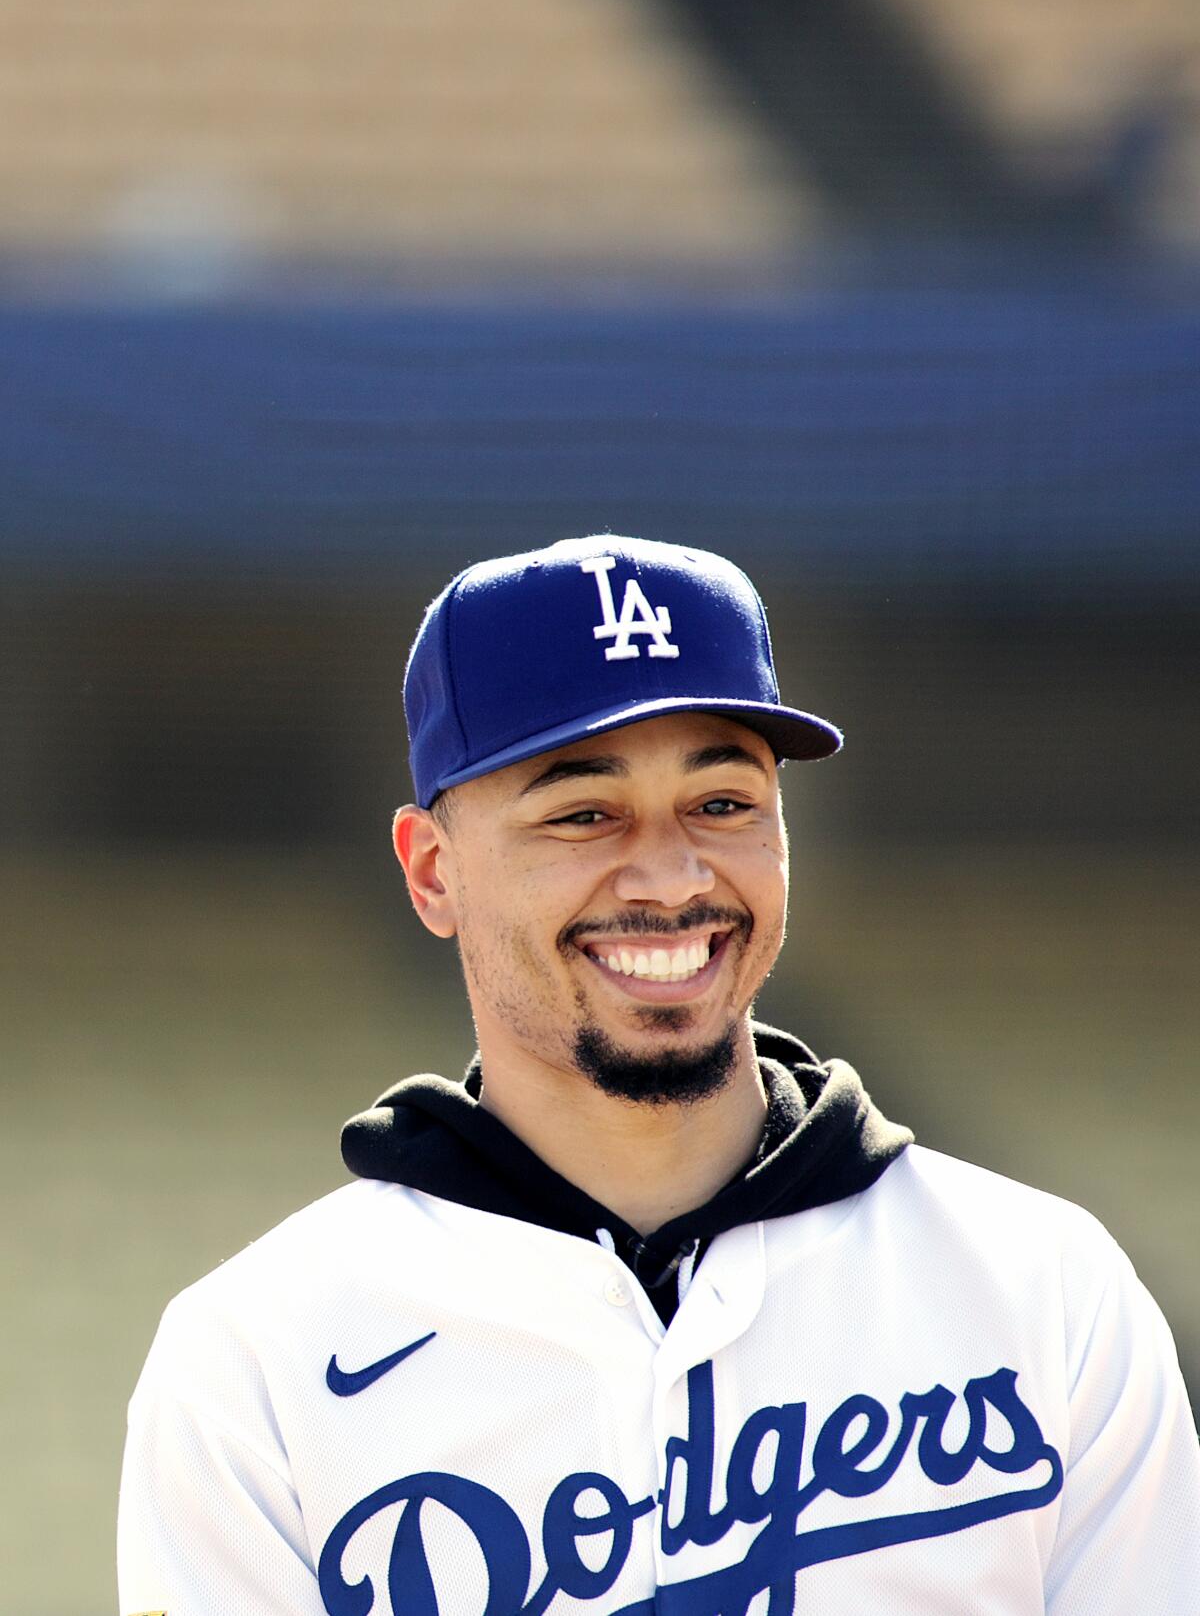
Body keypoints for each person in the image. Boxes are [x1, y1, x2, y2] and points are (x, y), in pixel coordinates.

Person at [118, 534, 1200, 1615]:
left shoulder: (1044, 1293)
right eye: (583, 813)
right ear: (432, 871)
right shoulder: (257, 1359)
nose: (673, 875)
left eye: (723, 802)